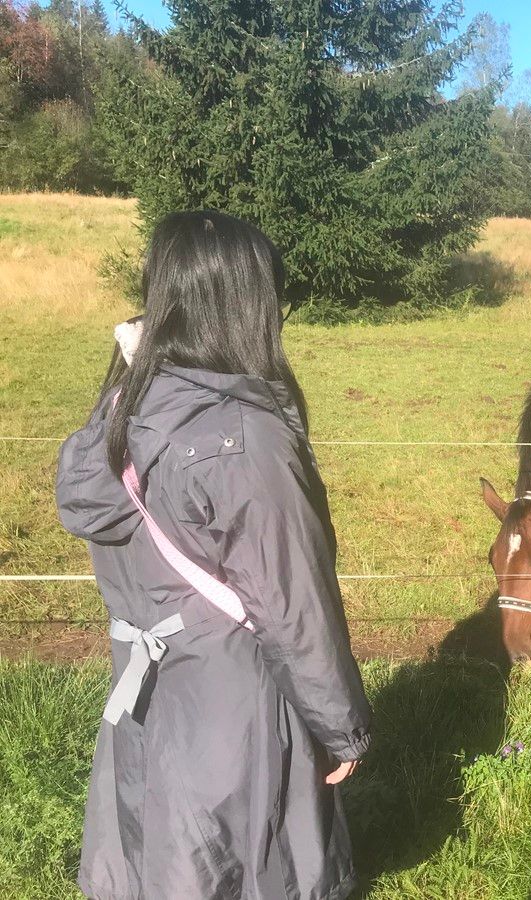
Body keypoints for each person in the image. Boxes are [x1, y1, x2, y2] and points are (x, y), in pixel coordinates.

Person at [56, 210, 372, 900]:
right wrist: (341, 726)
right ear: (247, 304)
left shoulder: (119, 414)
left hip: (144, 697)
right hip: (239, 711)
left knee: (164, 863)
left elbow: (90, 509)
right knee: (252, 869)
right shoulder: (244, 435)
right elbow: (293, 605)